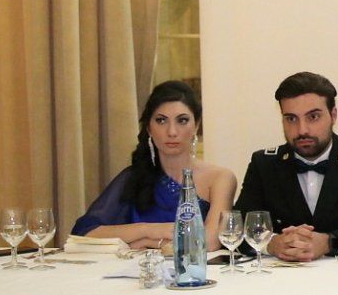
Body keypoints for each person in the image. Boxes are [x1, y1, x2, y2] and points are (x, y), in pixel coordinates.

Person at [234, 71, 338, 261]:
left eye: (313, 117)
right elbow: (237, 229)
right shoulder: (265, 164)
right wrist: (271, 244)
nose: (302, 130)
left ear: (333, 115)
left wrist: (331, 242)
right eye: (291, 119)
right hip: (281, 276)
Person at [72, 80, 237, 249]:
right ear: (149, 128)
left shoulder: (220, 178)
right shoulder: (134, 177)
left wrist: (145, 242)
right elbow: (85, 233)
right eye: (161, 120)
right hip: (139, 266)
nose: (172, 132)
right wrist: (149, 230)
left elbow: (210, 241)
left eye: (182, 120)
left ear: (196, 125)